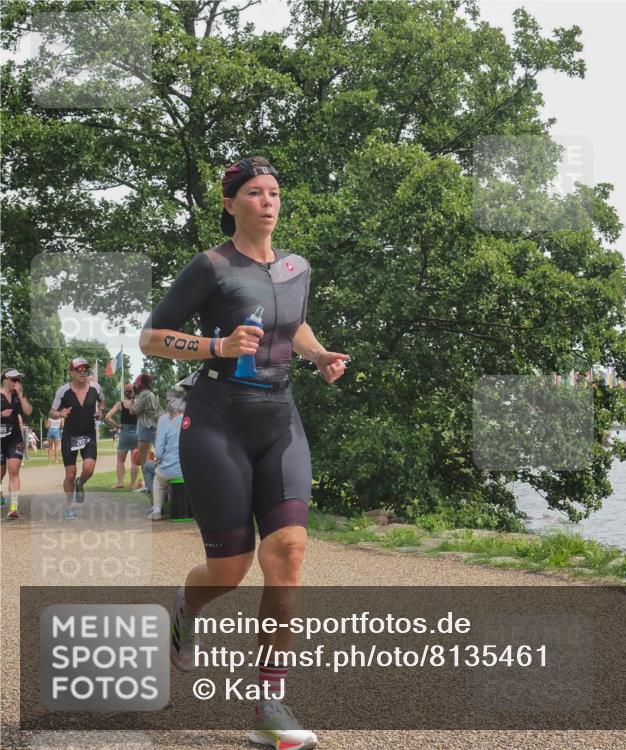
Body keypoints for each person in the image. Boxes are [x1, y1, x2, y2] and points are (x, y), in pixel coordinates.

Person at [140, 156, 349, 750]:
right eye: (254, 193)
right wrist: (217, 344)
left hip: (280, 423)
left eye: (274, 192)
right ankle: (185, 607)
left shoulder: (296, 267)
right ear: (231, 204)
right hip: (216, 422)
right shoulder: (211, 266)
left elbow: (295, 326)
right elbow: (152, 336)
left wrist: (318, 355)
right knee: (229, 571)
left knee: (287, 554)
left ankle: (269, 704)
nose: (267, 200)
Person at [50, 358, 105, 520]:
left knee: (88, 469)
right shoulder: (63, 391)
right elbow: (51, 411)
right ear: (71, 372)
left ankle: (80, 483)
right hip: (69, 436)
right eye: (79, 370)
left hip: (88, 434)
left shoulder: (95, 388)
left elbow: (102, 401)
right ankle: (70, 506)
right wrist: (60, 414)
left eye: (85, 369)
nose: (83, 372)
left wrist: (101, 410)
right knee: (70, 473)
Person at [141, 389, 185, 520]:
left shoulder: (164, 420)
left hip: (169, 470)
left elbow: (159, 452)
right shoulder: (192, 419)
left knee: (155, 475)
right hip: (190, 470)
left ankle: (157, 509)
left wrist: (160, 459)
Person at [1, 368, 35, 519]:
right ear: (5, 379)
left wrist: (21, 396)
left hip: (14, 437)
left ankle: (13, 507)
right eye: (14, 379)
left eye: (18, 380)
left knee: (14, 470)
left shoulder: (18, 396)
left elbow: (28, 411)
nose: (17, 382)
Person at [105, 383, 141, 489]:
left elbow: (107, 417)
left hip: (125, 433)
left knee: (120, 460)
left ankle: (120, 482)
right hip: (137, 434)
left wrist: (117, 426)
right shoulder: (139, 403)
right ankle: (133, 483)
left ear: (125, 392)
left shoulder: (120, 404)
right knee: (135, 460)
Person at [131, 373, 162, 491]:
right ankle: (153, 485)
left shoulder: (144, 394)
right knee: (153, 458)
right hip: (154, 426)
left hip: (146, 427)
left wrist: (133, 397)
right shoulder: (151, 394)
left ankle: (149, 487)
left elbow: (132, 411)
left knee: (143, 459)